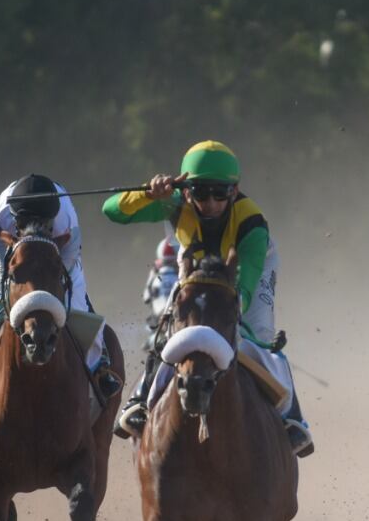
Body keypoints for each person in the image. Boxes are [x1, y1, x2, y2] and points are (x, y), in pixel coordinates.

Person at [103, 140, 313, 456]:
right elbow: (113, 211)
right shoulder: (172, 202)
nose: (211, 203)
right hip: (195, 271)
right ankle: (140, 399)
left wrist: (223, 317)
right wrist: (148, 193)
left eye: (221, 193)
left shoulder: (252, 224)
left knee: (256, 337)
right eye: (201, 193)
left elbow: (243, 291)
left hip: (245, 272)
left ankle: (292, 417)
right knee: (168, 330)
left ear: (235, 189)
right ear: (185, 190)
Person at [0, 174, 121, 397]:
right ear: (14, 221)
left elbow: (64, 266)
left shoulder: (67, 223)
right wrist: (6, 278)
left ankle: (100, 366)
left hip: (62, 259)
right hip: (15, 253)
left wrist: (52, 289)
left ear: (51, 222)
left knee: (76, 304)